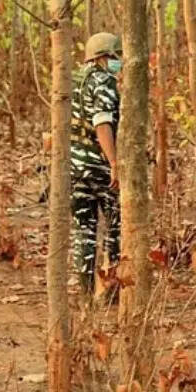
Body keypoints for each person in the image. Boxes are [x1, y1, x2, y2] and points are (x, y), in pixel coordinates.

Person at [69, 32, 123, 297]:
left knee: (85, 231)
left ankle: (86, 294)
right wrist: (113, 162)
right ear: (104, 56)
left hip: (74, 168)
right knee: (114, 226)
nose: (119, 61)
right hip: (100, 167)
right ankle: (112, 290)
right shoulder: (104, 82)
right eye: (116, 56)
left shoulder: (73, 80)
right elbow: (102, 123)